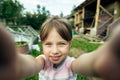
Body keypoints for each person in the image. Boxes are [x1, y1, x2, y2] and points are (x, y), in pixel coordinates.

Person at [0, 16, 120, 80]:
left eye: (61, 44)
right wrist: (16, 64)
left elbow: (81, 63)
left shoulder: (71, 64)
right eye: (48, 44)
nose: (55, 51)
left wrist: (96, 63)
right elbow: (32, 64)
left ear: (70, 43)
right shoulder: (42, 61)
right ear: (42, 44)